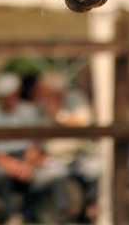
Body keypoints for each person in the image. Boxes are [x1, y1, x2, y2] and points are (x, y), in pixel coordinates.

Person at [0, 72, 71, 224]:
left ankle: (49, 214)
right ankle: (12, 214)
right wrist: (10, 164)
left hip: (27, 159)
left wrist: (28, 164)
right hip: (4, 161)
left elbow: (35, 144)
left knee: (50, 174)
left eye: (11, 94)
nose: (9, 98)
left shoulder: (30, 112)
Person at [33, 69, 100, 223]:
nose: (42, 95)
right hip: (53, 159)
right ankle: (69, 215)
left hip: (80, 156)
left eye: (45, 92)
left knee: (97, 168)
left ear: (57, 91)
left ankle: (92, 209)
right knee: (57, 173)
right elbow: (35, 141)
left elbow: (84, 124)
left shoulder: (76, 99)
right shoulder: (39, 108)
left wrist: (58, 115)